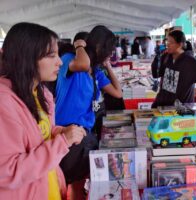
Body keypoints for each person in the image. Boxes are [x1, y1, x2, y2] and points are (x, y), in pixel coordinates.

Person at [0, 22, 85, 199]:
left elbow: (36, 134)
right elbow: (8, 172)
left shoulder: (41, 93)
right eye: (51, 55)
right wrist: (62, 142)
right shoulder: (4, 103)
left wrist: (59, 132)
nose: (60, 62)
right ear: (27, 58)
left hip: (49, 188)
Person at [55, 25, 122, 199]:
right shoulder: (71, 59)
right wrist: (78, 45)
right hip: (66, 133)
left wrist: (108, 66)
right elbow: (83, 63)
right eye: (108, 50)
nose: (110, 54)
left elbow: (117, 92)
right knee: (63, 185)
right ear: (99, 47)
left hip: (85, 135)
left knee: (79, 185)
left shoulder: (96, 71)